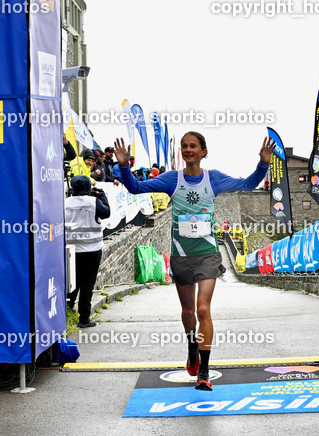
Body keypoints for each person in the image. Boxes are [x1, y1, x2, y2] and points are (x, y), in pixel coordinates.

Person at [114, 132, 273, 391]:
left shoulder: (214, 179)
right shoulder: (171, 179)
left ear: (203, 151)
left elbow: (248, 184)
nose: (188, 150)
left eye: (193, 146)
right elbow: (135, 188)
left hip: (208, 254)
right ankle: (191, 345)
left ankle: (204, 372)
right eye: (184, 146)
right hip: (182, 255)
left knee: (202, 310)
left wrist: (263, 164)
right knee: (188, 312)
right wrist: (124, 166)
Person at [65, 175, 111, 328]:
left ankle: (68, 305)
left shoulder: (64, 203)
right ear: (88, 188)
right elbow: (106, 213)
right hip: (92, 249)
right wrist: (102, 196)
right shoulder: (93, 201)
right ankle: (84, 319)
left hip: (71, 249)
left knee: (72, 279)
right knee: (87, 284)